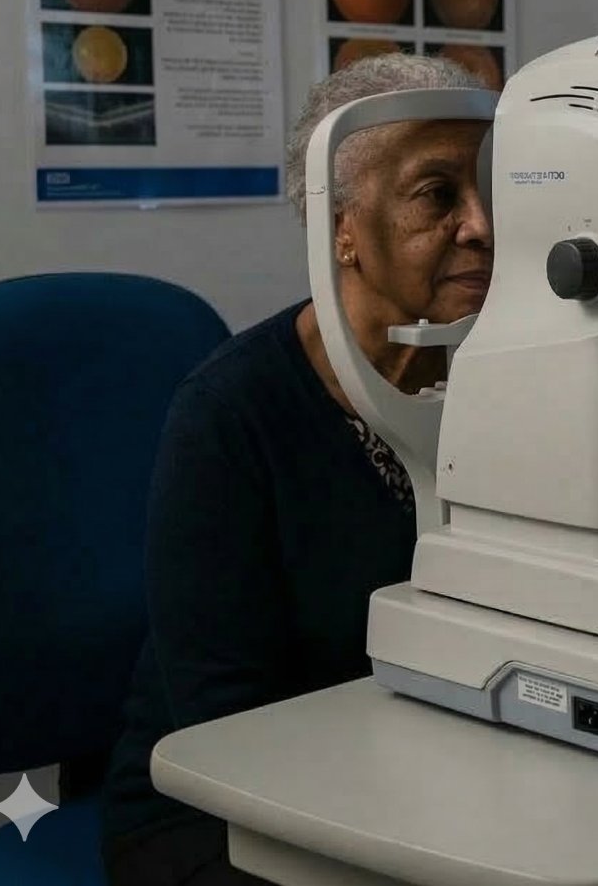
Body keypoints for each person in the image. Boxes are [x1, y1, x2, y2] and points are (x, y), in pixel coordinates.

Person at [99, 54, 493, 886]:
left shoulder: (506, 383)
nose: (482, 226)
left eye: (492, 188)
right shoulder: (230, 414)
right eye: (438, 194)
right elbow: (225, 720)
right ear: (341, 228)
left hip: (437, 771)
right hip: (223, 807)